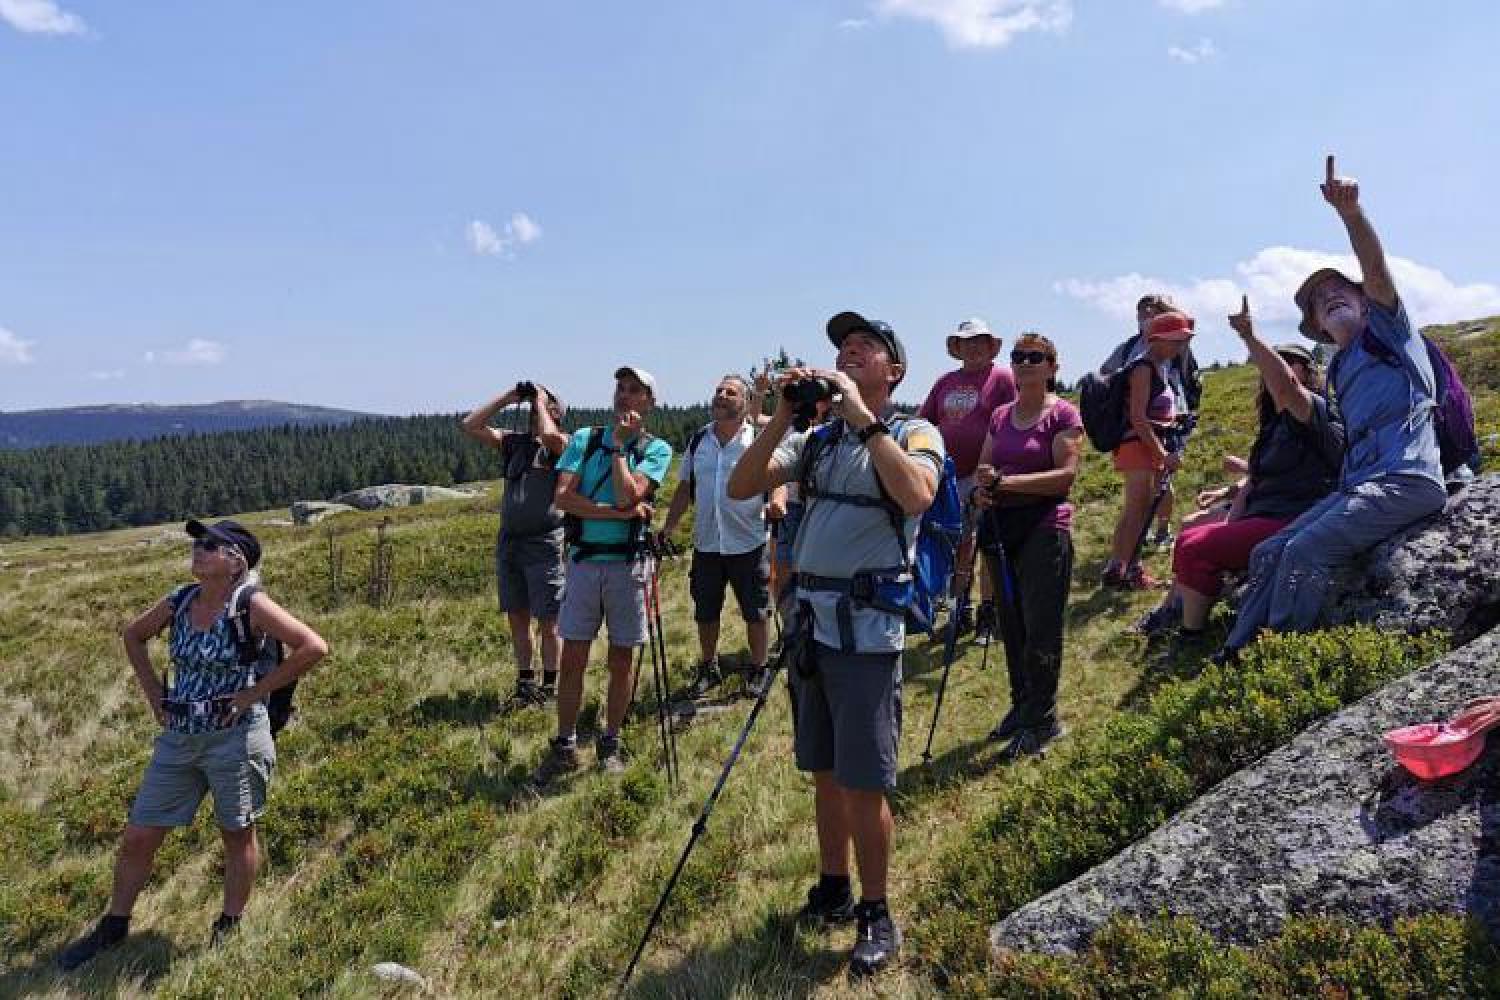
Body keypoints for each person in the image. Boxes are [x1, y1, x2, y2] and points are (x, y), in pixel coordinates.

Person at [728, 311, 945, 978]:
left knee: (864, 777)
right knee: (823, 770)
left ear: (893, 371)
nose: (848, 353)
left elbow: (916, 496)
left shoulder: (913, 430)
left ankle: (877, 911)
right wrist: (783, 416)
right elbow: (742, 485)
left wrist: (863, 419)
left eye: (864, 347)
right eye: (842, 347)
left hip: (866, 631)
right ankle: (833, 884)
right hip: (812, 626)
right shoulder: (816, 441)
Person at [59, 520, 328, 970]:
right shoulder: (179, 600)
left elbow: (313, 646)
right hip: (179, 737)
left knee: (236, 832)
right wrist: (154, 696)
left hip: (236, 739)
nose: (198, 551)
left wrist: (252, 694)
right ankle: (115, 924)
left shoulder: (251, 604)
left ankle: (230, 924)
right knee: (139, 835)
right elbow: (133, 635)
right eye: (198, 544)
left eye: (211, 545)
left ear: (236, 559)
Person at [1217, 156, 1448, 662]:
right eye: (1321, 301)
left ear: (1365, 302)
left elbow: (1377, 272)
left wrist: (1351, 214)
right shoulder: (1341, 367)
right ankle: (1236, 652)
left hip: (1408, 479)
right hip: (1364, 484)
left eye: (1340, 290)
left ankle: (1280, 655)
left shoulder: (1390, 331)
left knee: (1304, 550)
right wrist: (1252, 338)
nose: (1331, 297)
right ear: (1320, 327)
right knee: (1267, 551)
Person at [1133, 315, 1344, 647]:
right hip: (1267, 512)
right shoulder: (1276, 423)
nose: (1281, 369)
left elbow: (1286, 386)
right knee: (1189, 534)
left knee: (1195, 546)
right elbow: (1260, 477)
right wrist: (1228, 497)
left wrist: (1250, 337)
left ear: (1307, 372)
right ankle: (1180, 609)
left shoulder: (1314, 413)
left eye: (1293, 363)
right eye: (1277, 361)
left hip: (1293, 518)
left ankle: (1191, 634)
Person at [532, 366, 673, 780]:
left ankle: (610, 740)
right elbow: (563, 499)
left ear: (648, 402)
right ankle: (566, 742)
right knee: (573, 655)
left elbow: (633, 492)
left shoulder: (656, 449)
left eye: (634, 391)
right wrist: (617, 512)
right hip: (582, 562)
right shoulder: (581, 439)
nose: (624, 397)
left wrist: (617, 450)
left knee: (621, 657)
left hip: (628, 565)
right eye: (620, 389)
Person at [973, 333, 1083, 758]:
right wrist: (984, 488)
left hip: (1045, 527)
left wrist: (1007, 483)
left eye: (1035, 357)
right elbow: (987, 464)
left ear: (1053, 366)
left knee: (1041, 627)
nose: (1024, 363)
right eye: (1019, 357)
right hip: (1002, 525)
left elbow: (1065, 476)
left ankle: (1044, 720)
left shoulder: (1063, 415)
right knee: (1012, 624)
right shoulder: (1001, 415)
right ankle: (1023, 708)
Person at [659, 375, 785, 698]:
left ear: (745, 403)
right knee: (706, 609)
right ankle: (709, 666)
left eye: (731, 392)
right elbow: (685, 487)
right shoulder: (698, 440)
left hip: (749, 540)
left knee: (755, 610)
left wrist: (777, 502)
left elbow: (779, 476)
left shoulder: (758, 437)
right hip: (707, 543)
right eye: (718, 390)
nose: (722, 395)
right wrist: (669, 526)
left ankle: (758, 668)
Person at [461, 382, 570, 705]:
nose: (535, 409)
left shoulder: (563, 445)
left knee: (549, 621)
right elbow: (470, 425)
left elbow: (551, 438)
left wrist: (539, 400)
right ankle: (526, 681)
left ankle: (551, 687)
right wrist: (509, 398)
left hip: (545, 542)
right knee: (517, 617)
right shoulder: (514, 444)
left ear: (555, 413)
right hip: (510, 542)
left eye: (544, 405)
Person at [916, 318, 1017, 640]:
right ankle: (961, 609)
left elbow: (1011, 421)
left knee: (986, 542)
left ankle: (989, 611)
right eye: (966, 343)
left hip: (984, 472)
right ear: (957, 348)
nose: (973, 348)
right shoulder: (945, 381)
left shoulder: (1002, 378)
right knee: (957, 542)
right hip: (947, 476)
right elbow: (925, 421)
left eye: (979, 342)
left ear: (991, 346)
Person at [1102, 311, 1195, 589]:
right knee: (1138, 510)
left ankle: (1118, 567)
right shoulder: (1143, 368)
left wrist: (1172, 421)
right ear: (1157, 340)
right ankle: (1130, 570)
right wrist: (1161, 454)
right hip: (1138, 446)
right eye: (1176, 340)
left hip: (1143, 445)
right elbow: (1138, 418)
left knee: (1135, 509)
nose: (1180, 346)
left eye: (1183, 341)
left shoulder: (1158, 366)